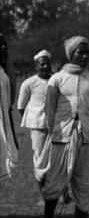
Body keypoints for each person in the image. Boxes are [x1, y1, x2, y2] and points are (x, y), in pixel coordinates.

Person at [38, 36, 89, 218]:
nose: (84, 56)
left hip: (85, 138)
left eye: (87, 53)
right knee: (55, 181)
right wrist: (55, 131)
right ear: (71, 54)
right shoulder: (57, 79)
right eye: (80, 52)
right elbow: (49, 110)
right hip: (61, 137)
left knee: (84, 183)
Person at [17, 50, 52, 195]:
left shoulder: (57, 80)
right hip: (38, 128)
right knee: (40, 159)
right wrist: (35, 120)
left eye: (47, 64)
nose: (45, 66)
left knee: (58, 158)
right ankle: (43, 191)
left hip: (56, 127)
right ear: (36, 66)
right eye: (42, 64)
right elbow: (21, 106)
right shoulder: (29, 83)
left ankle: (61, 191)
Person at [0, 34, 19, 189]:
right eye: (0, 45)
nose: (3, 48)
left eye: (4, 44)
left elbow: (10, 99)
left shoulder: (5, 71)